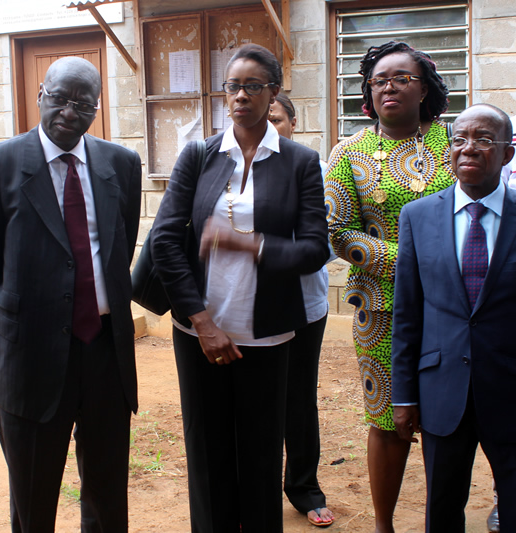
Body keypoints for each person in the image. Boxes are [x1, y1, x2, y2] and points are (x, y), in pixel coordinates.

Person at [151, 44, 329, 532]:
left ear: (274, 92)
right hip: (200, 335)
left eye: (253, 86)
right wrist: (202, 321)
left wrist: (247, 243)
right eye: (233, 86)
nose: (241, 95)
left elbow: (314, 249)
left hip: (268, 334)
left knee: (261, 454)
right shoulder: (198, 155)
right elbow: (165, 241)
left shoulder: (299, 162)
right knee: (207, 454)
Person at [0, 56, 142, 532]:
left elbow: (117, 245)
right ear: (41, 94)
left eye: (83, 103)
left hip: (104, 351)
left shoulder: (121, 164)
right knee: (33, 495)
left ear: (96, 109)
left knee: (107, 491)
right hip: (32, 359)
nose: (69, 110)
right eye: (59, 97)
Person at [325, 41, 455, 533]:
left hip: (453, 305)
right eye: (379, 80)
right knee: (387, 417)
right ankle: (383, 524)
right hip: (381, 309)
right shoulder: (350, 152)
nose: (389, 87)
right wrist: (414, 260)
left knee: (451, 411)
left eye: (401, 78)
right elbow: (338, 231)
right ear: (368, 92)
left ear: (424, 89)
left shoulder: (452, 142)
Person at [391, 103, 516, 532]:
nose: (469, 149)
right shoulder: (418, 216)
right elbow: (407, 314)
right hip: (442, 392)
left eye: (484, 140)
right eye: (460, 139)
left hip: (510, 389)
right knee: (442, 507)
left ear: (507, 153)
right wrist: (404, 396)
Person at [269, 94, 334, 527]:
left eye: (276, 118)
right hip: (245, 308)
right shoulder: (230, 167)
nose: (269, 126)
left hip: (305, 304)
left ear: (293, 123)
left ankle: (304, 486)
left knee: (298, 395)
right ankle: (254, 487)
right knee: (256, 401)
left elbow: (322, 245)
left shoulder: (314, 168)